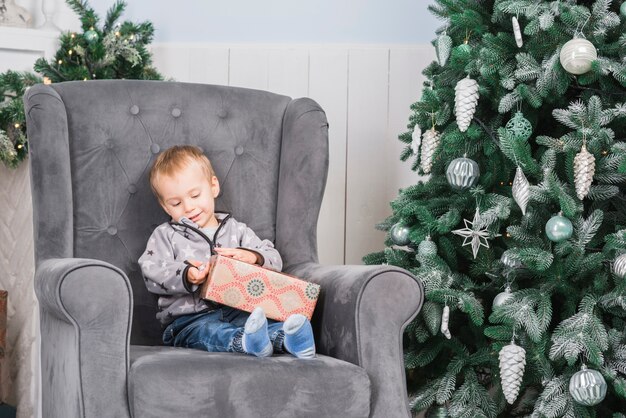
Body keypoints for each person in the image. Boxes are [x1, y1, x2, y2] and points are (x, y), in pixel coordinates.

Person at [138, 145, 315, 359]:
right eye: (176, 203)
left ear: (213, 186)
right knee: (210, 332)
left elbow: (274, 259)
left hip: (239, 310)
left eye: (195, 195)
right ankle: (246, 342)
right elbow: (151, 271)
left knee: (262, 323)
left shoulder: (236, 230)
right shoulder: (165, 235)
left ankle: (293, 338)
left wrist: (252, 257)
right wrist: (186, 274)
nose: (188, 207)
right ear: (166, 207)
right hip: (189, 320)